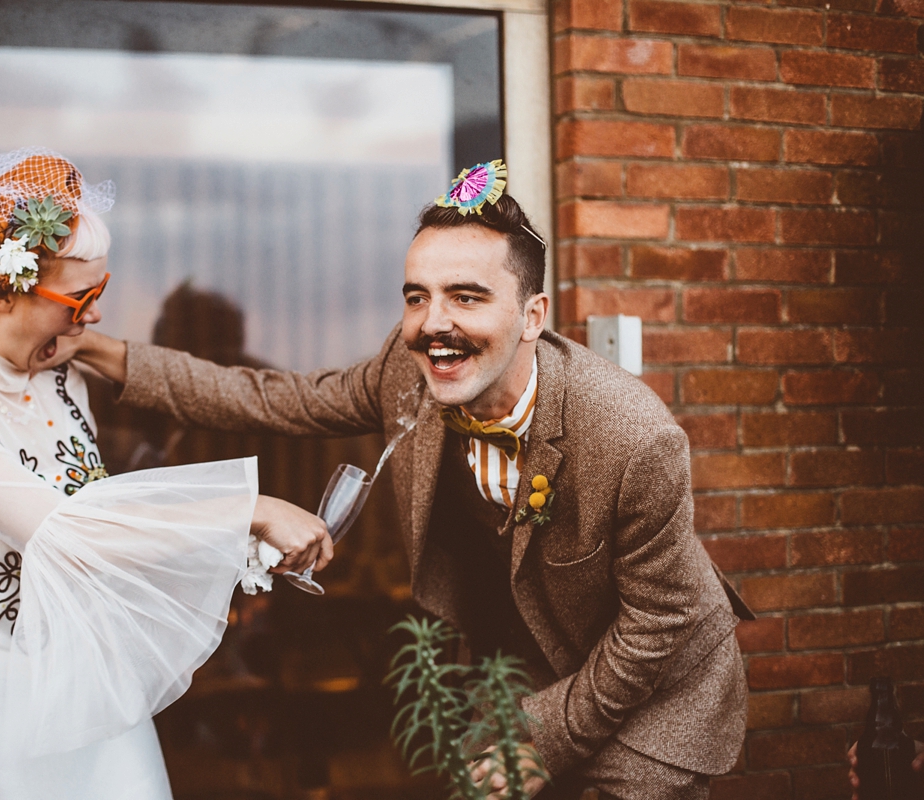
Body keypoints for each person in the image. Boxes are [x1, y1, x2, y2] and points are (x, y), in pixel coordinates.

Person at [70, 160, 753, 799]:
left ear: (533, 318)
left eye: (467, 297)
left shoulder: (635, 438)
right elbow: (274, 397)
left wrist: (545, 743)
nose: (434, 325)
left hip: (655, 697)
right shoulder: (406, 375)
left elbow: (660, 624)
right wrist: (104, 352)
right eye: (416, 297)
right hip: (530, 675)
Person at [0, 147, 332, 800]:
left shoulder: (61, 371)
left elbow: (110, 501)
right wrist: (246, 510)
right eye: (81, 296)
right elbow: (67, 532)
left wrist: (77, 337)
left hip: (90, 682)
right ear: (7, 285)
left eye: (102, 292)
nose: (94, 314)